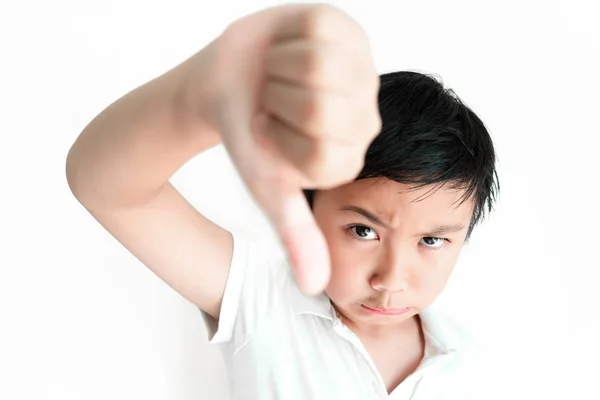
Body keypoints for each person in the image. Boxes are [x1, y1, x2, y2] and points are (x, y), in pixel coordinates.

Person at [66, 3, 499, 399]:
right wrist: (196, 96)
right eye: (363, 230)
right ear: (311, 207)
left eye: (431, 241)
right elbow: (110, 189)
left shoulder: (468, 363)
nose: (391, 279)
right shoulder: (261, 297)